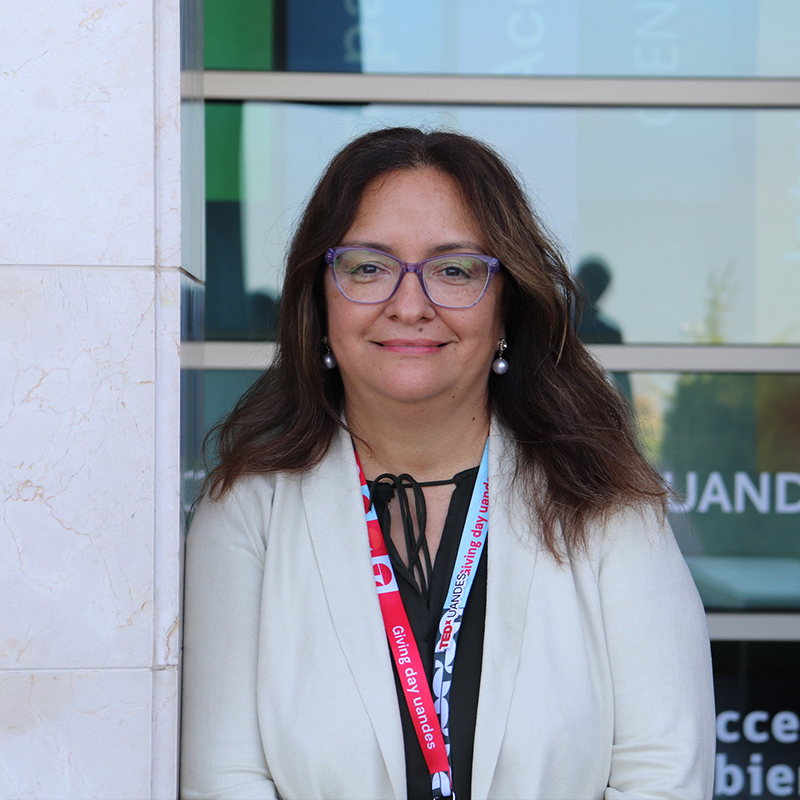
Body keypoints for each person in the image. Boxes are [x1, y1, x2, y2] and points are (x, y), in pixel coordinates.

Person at [181, 127, 715, 800]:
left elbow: (663, 777)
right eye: (368, 268)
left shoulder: (604, 505)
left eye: (454, 270)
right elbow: (225, 779)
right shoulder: (247, 514)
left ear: (506, 307)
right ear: (319, 302)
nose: (409, 305)